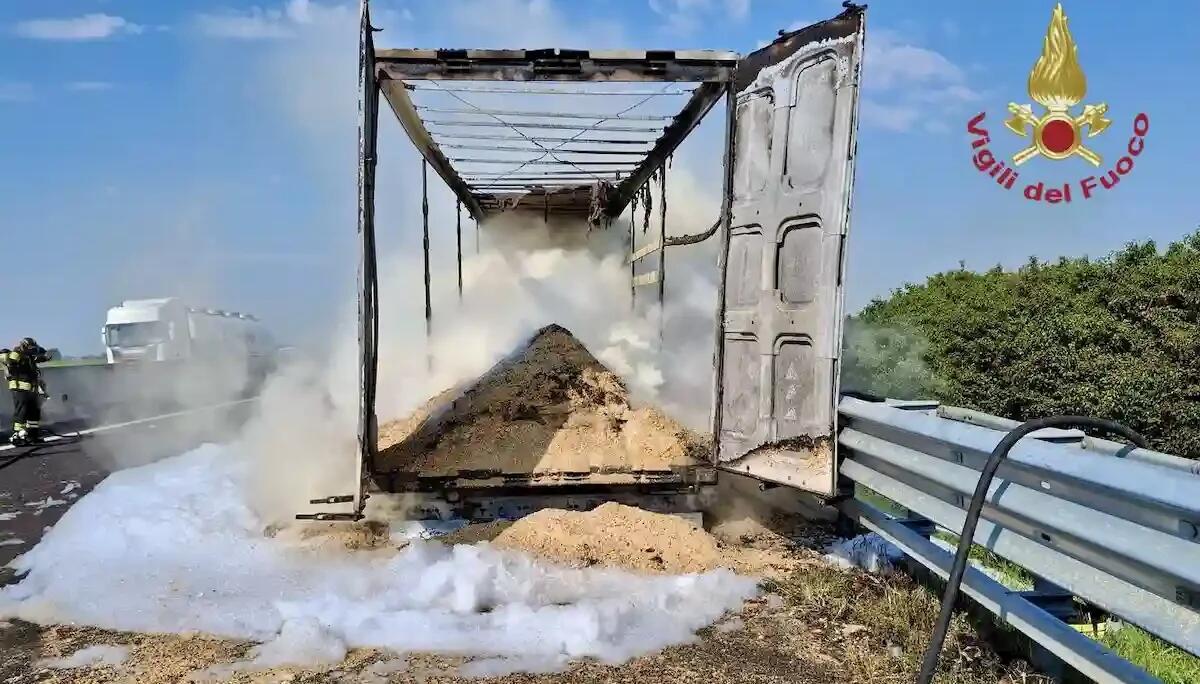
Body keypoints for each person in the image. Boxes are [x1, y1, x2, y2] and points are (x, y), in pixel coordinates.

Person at [2, 337, 51, 446]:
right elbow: (11, 362)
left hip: (30, 389)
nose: (32, 350)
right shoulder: (17, 354)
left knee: (34, 412)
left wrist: (45, 357)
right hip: (19, 388)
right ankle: (17, 435)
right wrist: (17, 362)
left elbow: (38, 357)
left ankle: (32, 436)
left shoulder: (29, 356)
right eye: (31, 348)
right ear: (24, 346)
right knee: (21, 412)